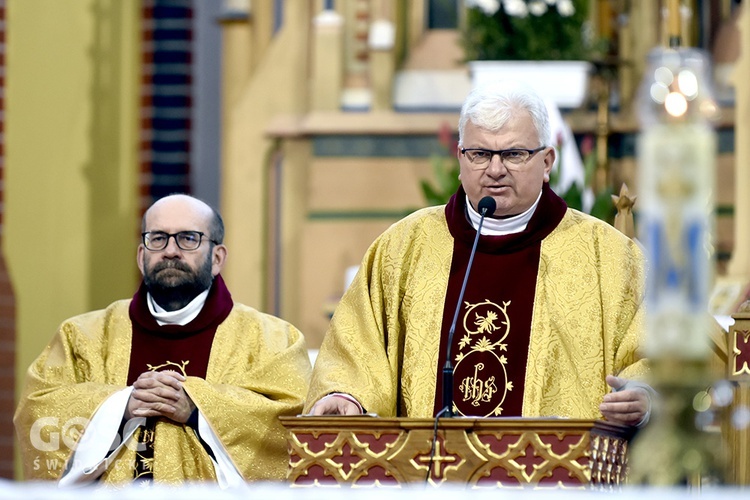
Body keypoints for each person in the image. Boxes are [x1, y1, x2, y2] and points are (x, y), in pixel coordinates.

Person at [306, 81, 652, 426]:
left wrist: (646, 395)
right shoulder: (404, 247)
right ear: (460, 158)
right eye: (481, 154)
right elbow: (355, 347)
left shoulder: (608, 256)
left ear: (547, 162)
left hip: (560, 474)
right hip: (427, 472)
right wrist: (344, 395)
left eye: (514, 154)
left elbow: (660, 357)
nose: (495, 170)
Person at [14, 194, 312, 486]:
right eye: (157, 238)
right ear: (142, 257)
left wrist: (198, 408)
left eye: (188, 238)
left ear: (217, 258)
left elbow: (293, 420)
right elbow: (38, 408)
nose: (171, 250)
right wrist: (121, 406)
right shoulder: (83, 336)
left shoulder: (271, 339)